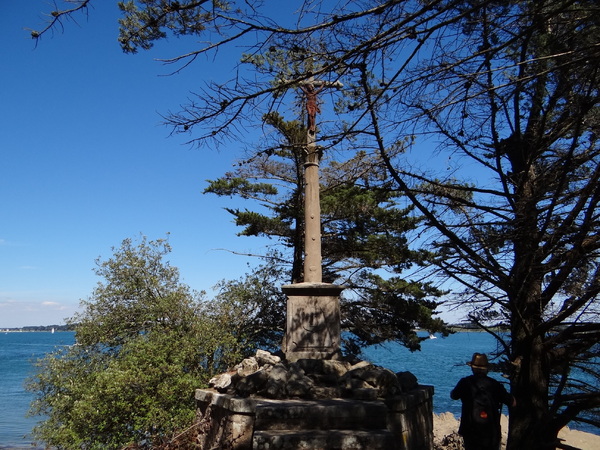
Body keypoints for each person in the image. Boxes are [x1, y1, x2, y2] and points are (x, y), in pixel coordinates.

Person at [451, 353, 516, 450]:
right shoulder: (494, 384)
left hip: (470, 430)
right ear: (486, 369)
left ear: (472, 368)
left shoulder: (465, 382)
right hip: (491, 431)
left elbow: (453, 396)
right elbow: (512, 403)